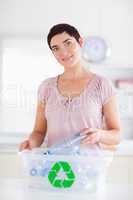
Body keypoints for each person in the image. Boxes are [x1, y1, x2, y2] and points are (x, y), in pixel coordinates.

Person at [19, 23, 121, 151]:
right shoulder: (46, 87)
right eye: (56, 48)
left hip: (89, 167)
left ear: (80, 42)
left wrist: (100, 135)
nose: (63, 52)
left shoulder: (102, 85)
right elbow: (39, 132)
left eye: (68, 43)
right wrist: (31, 144)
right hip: (56, 168)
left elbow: (116, 135)